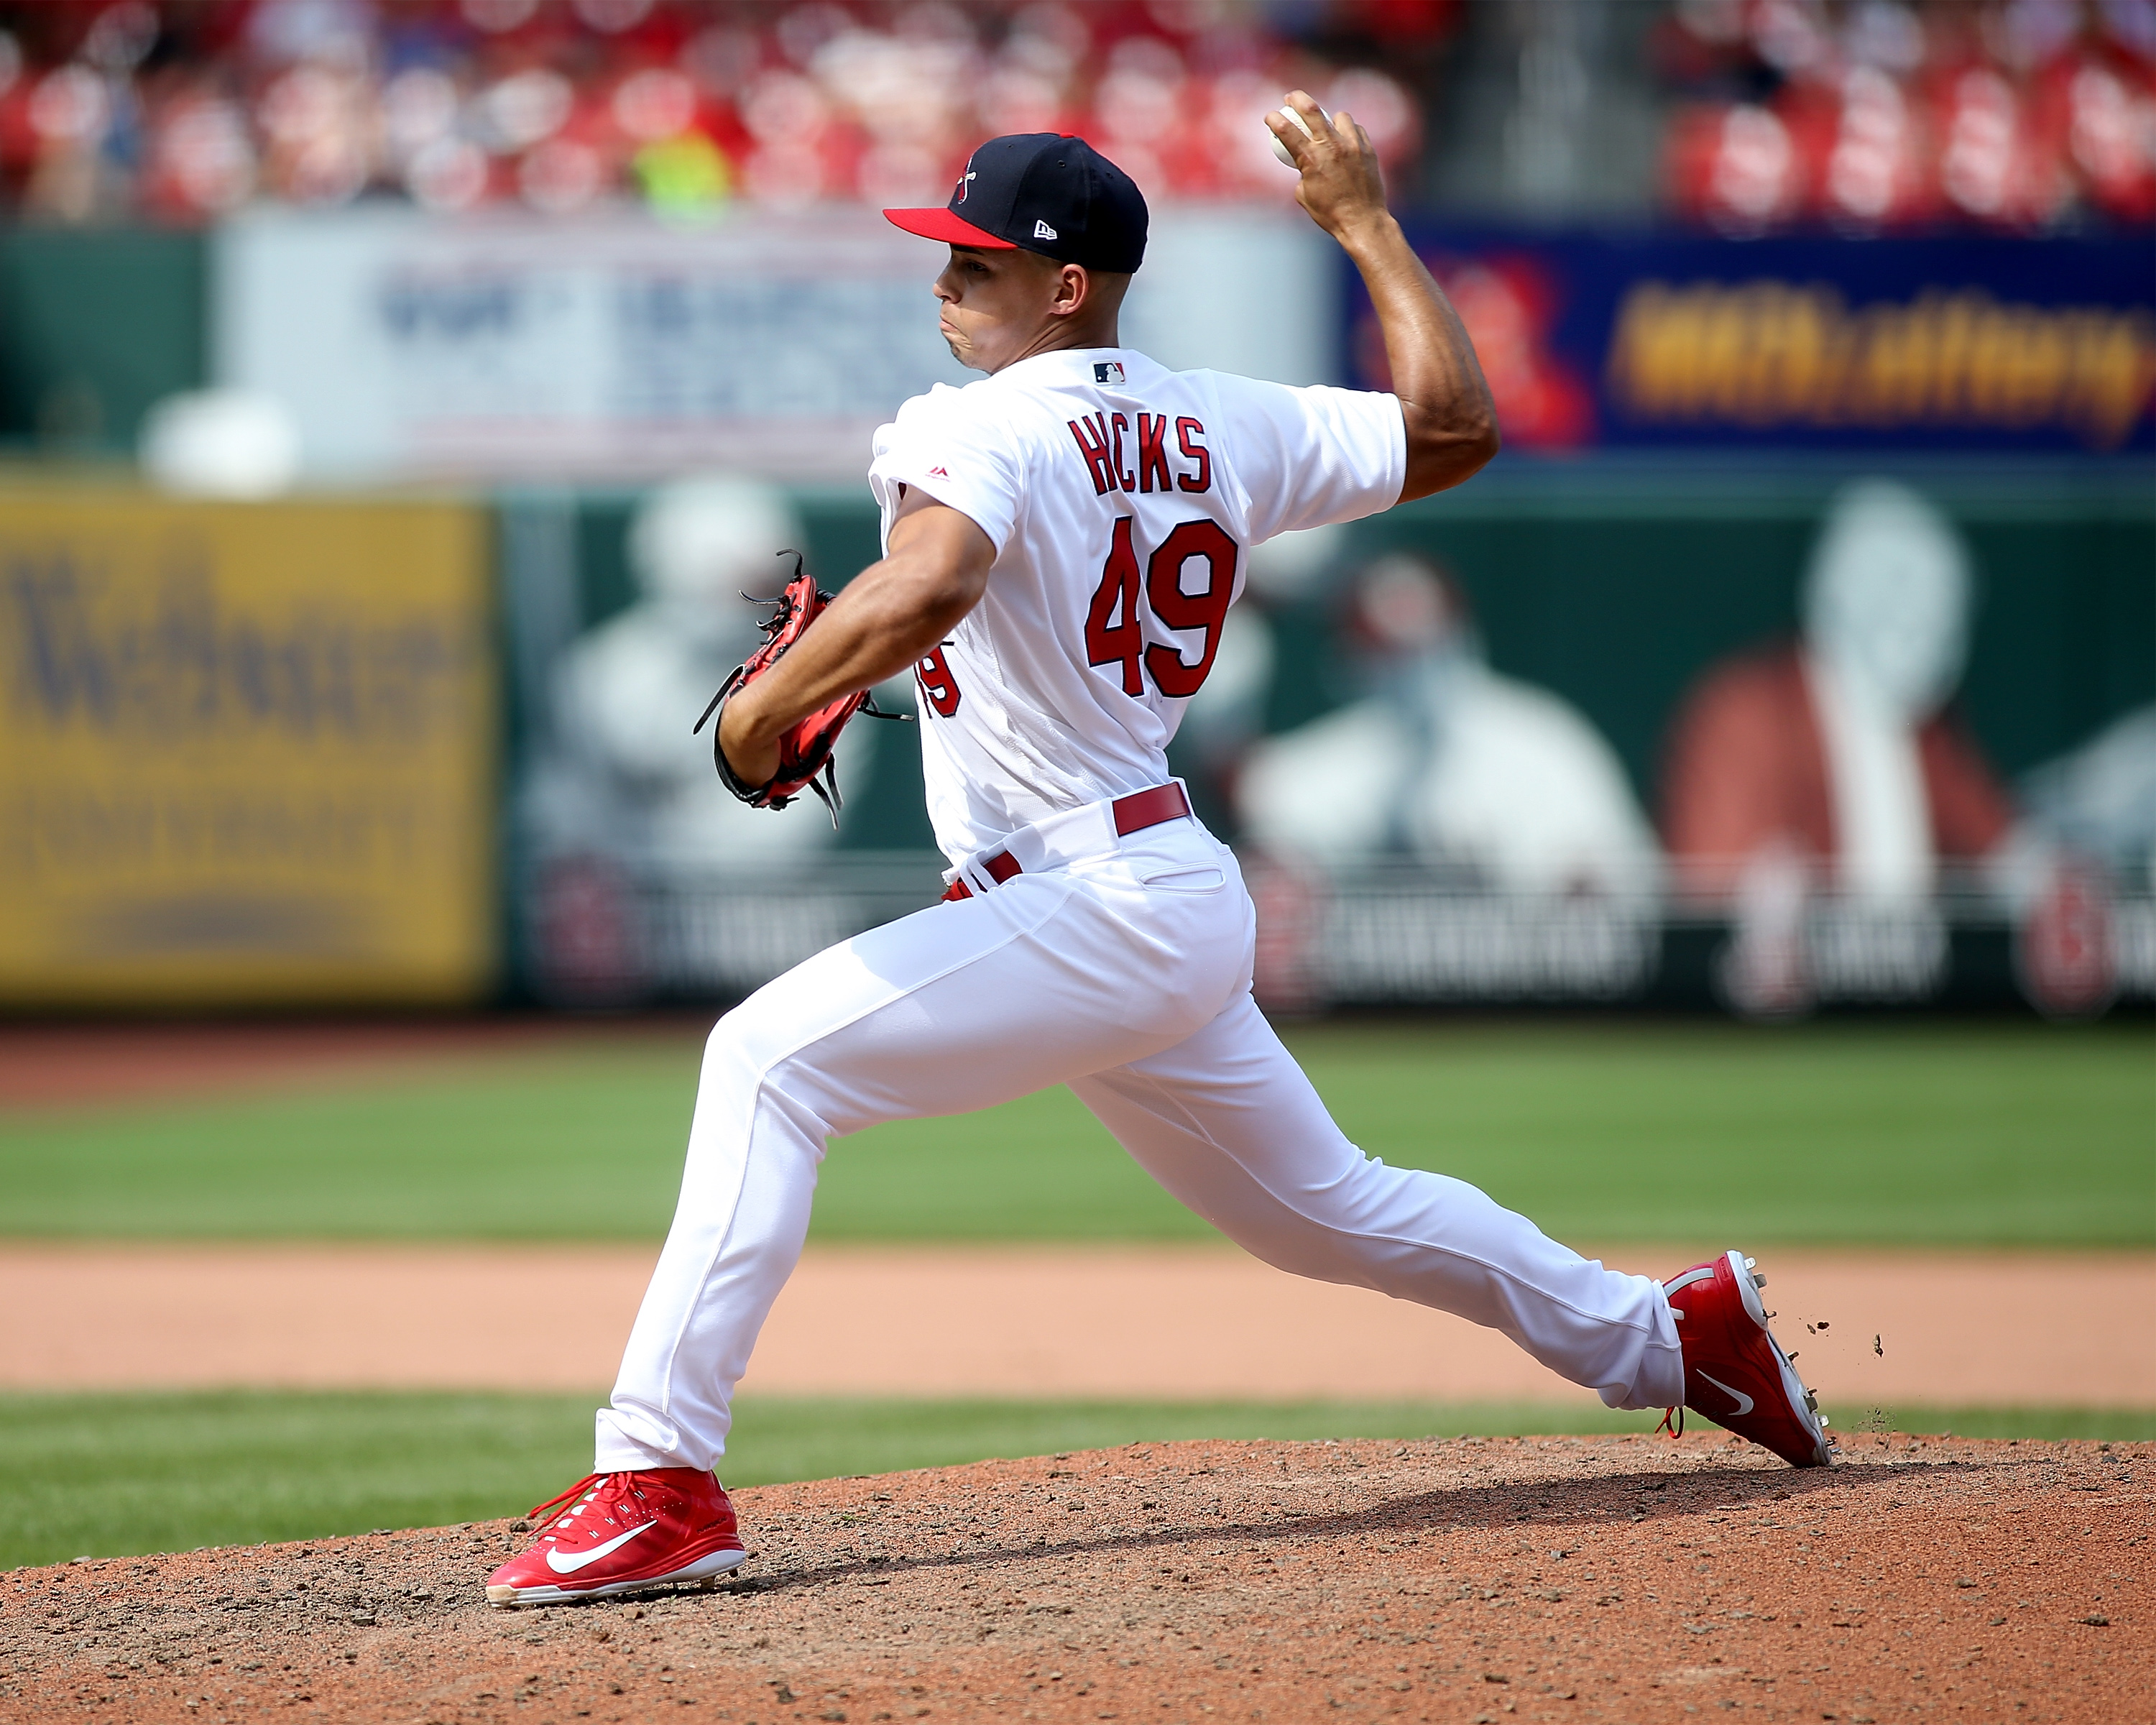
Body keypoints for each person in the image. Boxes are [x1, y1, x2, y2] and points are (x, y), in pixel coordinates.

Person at [482, 105, 1831, 1609]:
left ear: (1069, 286)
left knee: (765, 1065)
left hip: (1087, 897)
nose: (948, 284)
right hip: (1162, 888)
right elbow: (1455, 428)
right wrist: (1369, 225)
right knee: (1336, 1211)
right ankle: (1670, 1336)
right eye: (947, 256)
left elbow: (933, 580)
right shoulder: (1222, 419)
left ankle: (659, 1479)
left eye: (980, 263)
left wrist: (763, 711)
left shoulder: (973, 422)